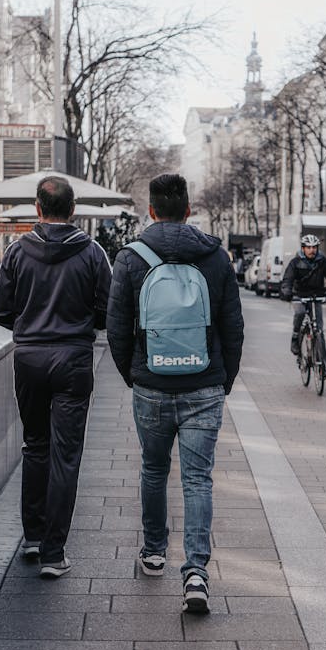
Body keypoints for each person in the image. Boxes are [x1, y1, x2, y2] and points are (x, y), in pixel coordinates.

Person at [106, 173, 243, 614]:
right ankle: (197, 572)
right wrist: (224, 379)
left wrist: (134, 374)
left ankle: (153, 550)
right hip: (204, 384)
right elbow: (233, 326)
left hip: (152, 383)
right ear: (188, 209)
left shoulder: (130, 258)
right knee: (198, 478)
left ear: (150, 210)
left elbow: (116, 327)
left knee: (152, 468)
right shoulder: (216, 257)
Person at [0, 176, 111, 577]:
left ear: (37, 209)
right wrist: (81, 324)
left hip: (30, 359)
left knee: (35, 445)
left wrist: (28, 327)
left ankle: (34, 537)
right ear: (72, 210)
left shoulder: (17, 252)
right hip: (74, 358)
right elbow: (108, 310)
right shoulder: (93, 253)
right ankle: (54, 554)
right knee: (66, 453)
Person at [280, 233, 326, 376]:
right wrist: (287, 291)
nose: (312, 250)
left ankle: (322, 366)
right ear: (303, 248)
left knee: (319, 330)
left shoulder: (323, 261)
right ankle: (296, 337)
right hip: (299, 296)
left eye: (314, 247)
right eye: (308, 247)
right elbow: (288, 279)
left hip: (316, 296)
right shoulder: (295, 262)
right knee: (300, 313)